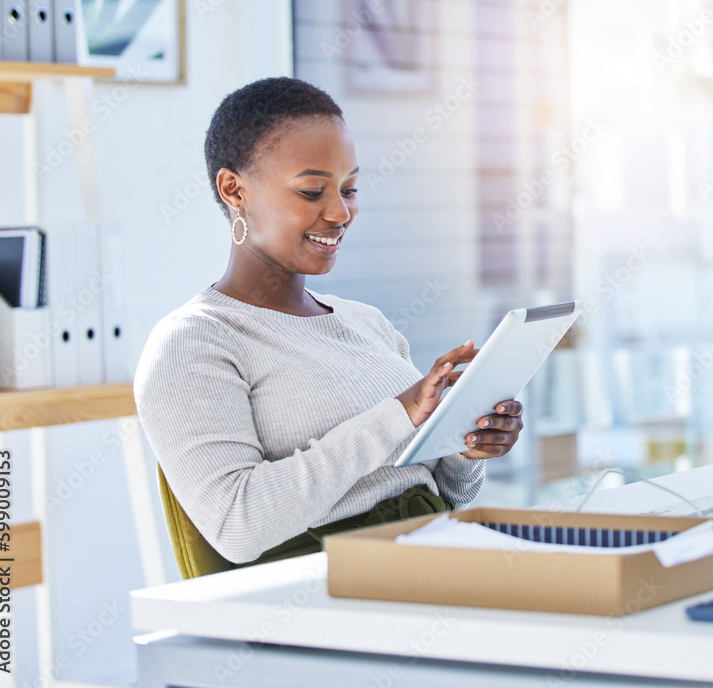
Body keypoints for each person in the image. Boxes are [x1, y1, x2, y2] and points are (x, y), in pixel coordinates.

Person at [133, 77, 524, 569]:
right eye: (313, 190)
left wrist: (466, 450)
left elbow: (445, 495)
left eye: (349, 189)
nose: (340, 212)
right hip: (330, 596)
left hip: (435, 561)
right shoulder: (194, 342)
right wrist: (397, 415)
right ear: (234, 189)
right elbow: (238, 525)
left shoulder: (367, 323)